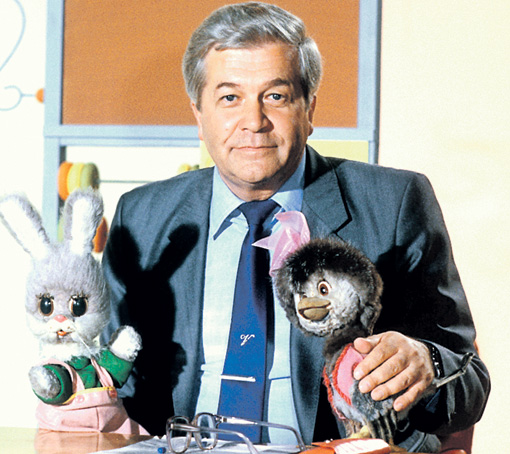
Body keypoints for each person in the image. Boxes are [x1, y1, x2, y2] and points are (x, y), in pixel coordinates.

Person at [102, 2, 490, 452]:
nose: (254, 122)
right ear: (199, 116)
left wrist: (427, 363)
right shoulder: (143, 217)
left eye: (276, 96)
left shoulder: (394, 204)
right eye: (229, 98)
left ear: (309, 109)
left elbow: (470, 381)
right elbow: (114, 382)